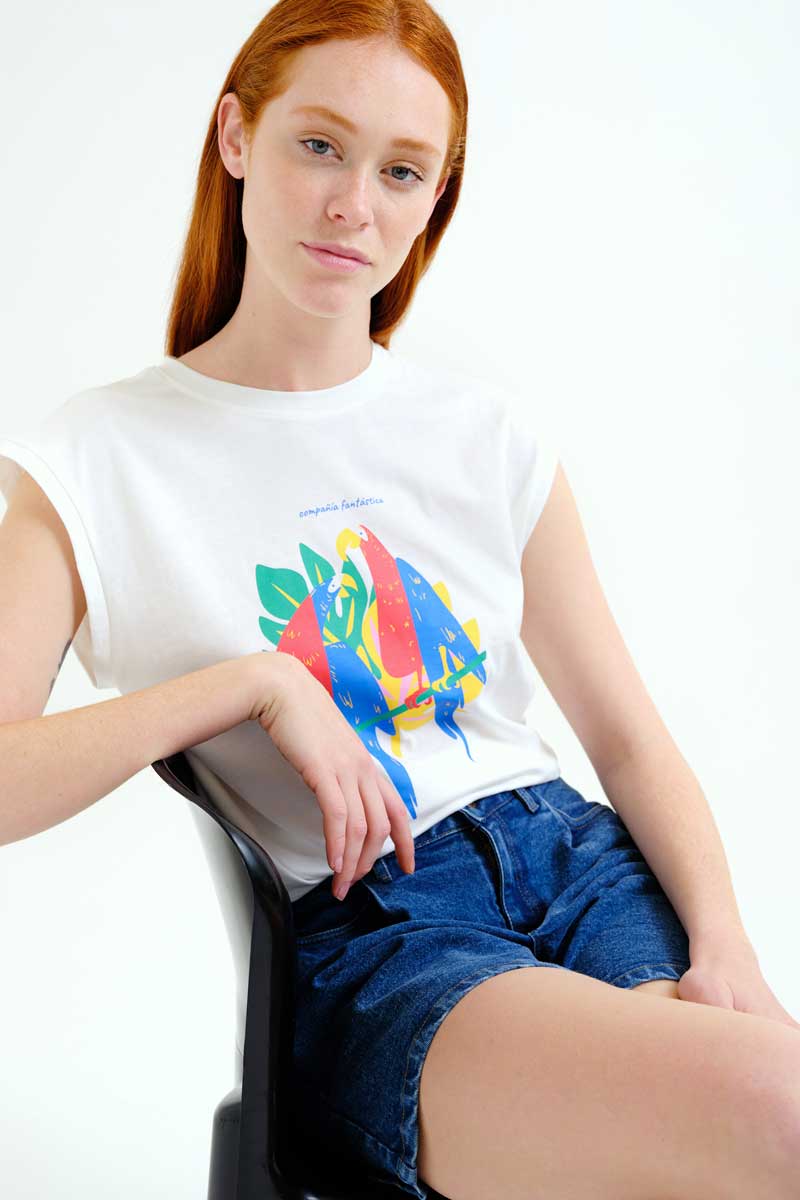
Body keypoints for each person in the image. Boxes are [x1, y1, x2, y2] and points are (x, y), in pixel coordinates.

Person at [1, 3, 798, 1199]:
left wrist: (724, 941)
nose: (352, 205)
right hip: (381, 937)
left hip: (578, 866)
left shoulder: (485, 437)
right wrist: (252, 685)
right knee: (770, 1118)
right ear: (235, 136)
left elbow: (627, 740)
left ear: (435, 197)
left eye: (400, 170)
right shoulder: (95, 461)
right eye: (319, 145)